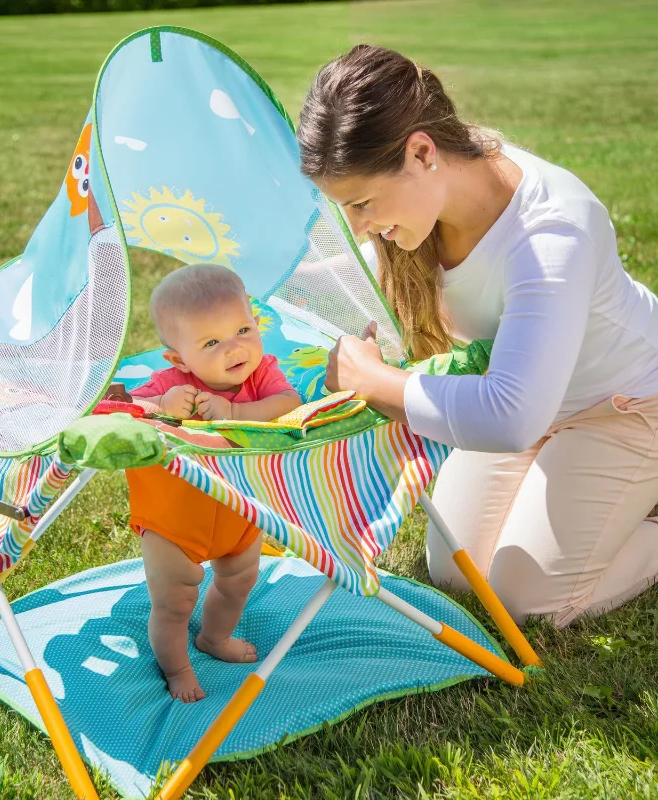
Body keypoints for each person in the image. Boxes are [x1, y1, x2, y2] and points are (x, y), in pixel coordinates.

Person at [295, 44, 658, 627]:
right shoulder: (429, 201)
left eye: (362, 203)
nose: (361, 227)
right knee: (455, 570)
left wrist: (374, 382)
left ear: (421, 151)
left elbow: (510, 416)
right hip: (535, 397)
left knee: (526, 599)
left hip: (627, 404)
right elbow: (340, 270)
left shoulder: (551, 232)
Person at [128, 264, 301, 702]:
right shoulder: (170, 385)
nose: (235, 348)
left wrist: (235, 413)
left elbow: (289, 402)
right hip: (175, 522)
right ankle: (177, 667)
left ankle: (214, 638)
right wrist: (162, 405)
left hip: (241, 514)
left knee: (238, 581)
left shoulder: (261, 376)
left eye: (243, 328)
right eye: (211, 342)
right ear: (178, 358)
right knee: (174, 602)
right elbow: (129, 408)